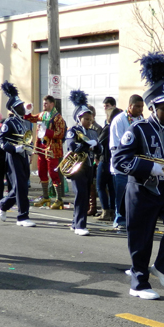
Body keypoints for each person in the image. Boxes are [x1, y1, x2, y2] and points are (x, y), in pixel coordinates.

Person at [115, 52, 164, 300]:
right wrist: (148, 168)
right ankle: (138, 284)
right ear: (153, 107)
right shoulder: (138, 130)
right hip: (140, 191)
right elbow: (120, 160)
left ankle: (162, 267)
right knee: (141, 240)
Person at [0, 82, 36, 227]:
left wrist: (29, 148)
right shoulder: (9, 122)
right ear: (14, 108)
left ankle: (3, 204)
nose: (22, 107)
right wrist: (14, 149)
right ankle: (22, 216)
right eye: (19, 106)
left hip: (23, 155)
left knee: (22, 186)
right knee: (20, 186)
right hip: (13, 156)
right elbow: (1, 140)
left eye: (22, 105)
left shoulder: (25, 123)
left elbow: (28, 139)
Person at [63, 90, 101, 235]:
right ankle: (80, 225)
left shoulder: (92, 132)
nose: (89, 122)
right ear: (79, 118)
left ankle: (75, 223)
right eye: (86, 119)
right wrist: (87, 144)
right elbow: (72, 147)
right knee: (81, 195)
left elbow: (99, 149)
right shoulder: (72, 130)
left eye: (90, 119)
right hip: (77, 167)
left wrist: (97, 146)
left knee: (85, 195)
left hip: (89, 167)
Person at [109, 94, 145, 230]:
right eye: (138, 106)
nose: (141, 109)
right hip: (121, 165)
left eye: (142, 107)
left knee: (135, 195)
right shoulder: (119, 120)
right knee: (121, 194)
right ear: (130, 106)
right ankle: (119, 219)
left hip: (137, 165)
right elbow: (116, 144)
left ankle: (133, 220)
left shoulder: (142, 120)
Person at [25, 95, 66, 209]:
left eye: (46, 103)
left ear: (52, 104)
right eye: (43, 103)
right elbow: (30, 118)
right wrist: (27, 111)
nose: (44, 105)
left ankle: (59, 199)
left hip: (52, 149)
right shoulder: (42, 115)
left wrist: (46, 131)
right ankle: (46, 197)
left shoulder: (58, 118)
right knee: (41, 172)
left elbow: (60, 133)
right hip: (41, 147)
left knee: (53, 174)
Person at [97, 102, 122, 221]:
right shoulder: (119, 128)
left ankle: (105, 211)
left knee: (101, 186)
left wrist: (97, 156)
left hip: (104, 159)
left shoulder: (108, 128)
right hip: (113, 162)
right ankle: (112, 211)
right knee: (112, 188)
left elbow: (99, 143)